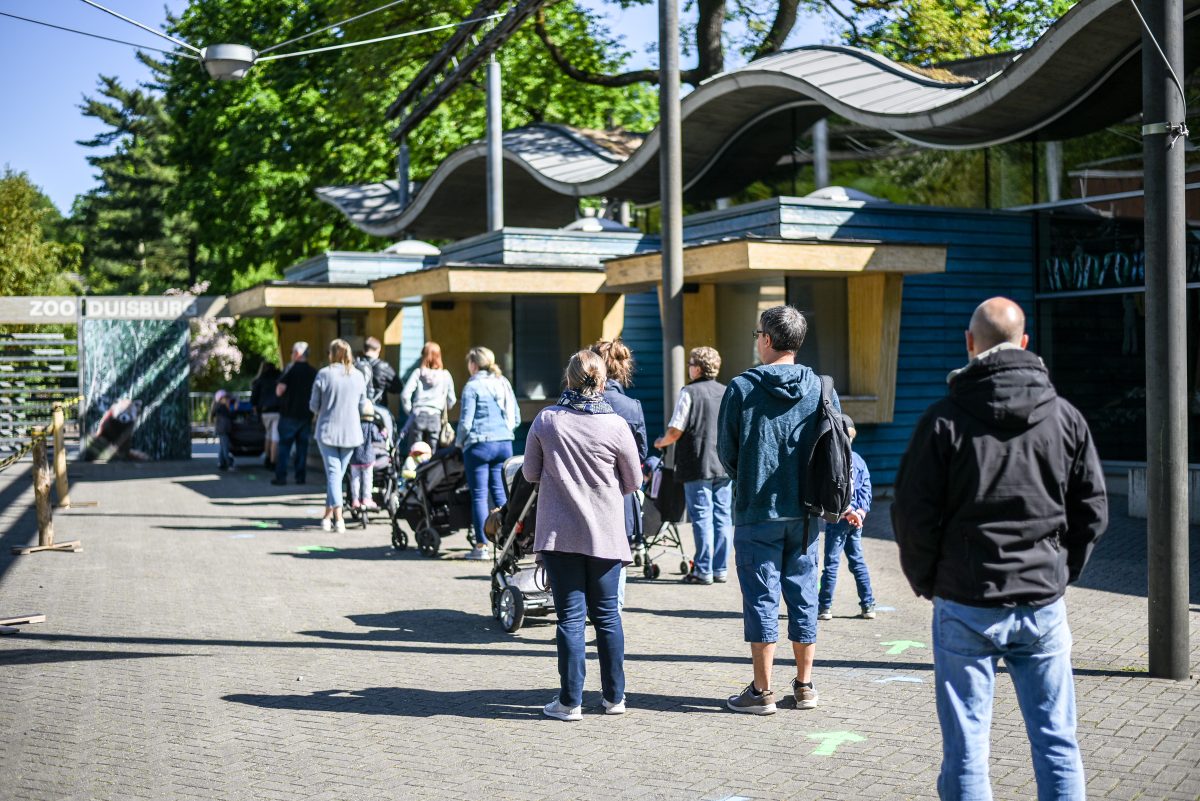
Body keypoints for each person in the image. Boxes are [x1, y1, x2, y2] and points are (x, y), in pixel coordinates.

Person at [892, 297, 1107, 801]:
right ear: (1025, 344)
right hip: (1041, 601)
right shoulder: (1065, 417)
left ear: (970, 344)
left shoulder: (944, 420)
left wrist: (928, 579)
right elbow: (1092, 508)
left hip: (965, 600)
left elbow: (911, 514)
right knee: (1057, 743)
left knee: (967, 750)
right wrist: (1062, 570)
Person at [717, 305, 836, 714]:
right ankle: (805, 687)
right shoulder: (822, 386)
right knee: (804, 595)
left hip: (757, 510)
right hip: (807, 512)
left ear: (767, 340)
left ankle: (761, 692)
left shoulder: (741, 387)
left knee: (761, 599)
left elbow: (727, 454)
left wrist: (749, 475)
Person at [523, 350, 641, 721]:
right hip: (606, 533)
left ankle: (569, 702)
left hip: (560, 535)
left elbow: (529, 473)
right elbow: (634, 481)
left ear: (569, 380)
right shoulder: (617, 424)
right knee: (608, 616)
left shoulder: (547, 420)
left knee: (570, 619)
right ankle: (615, 698)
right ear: (603, 381)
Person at [655, 346, 731, 585]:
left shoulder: (689, 392)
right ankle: (720, 569)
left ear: (697, 368)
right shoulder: (726, 391)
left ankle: (703, 570)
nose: (688, 367)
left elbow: (676, 429)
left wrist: (660, 442)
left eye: (690, 364)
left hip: (696, 463)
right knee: (723, 516)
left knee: (702, 517)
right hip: (723, 463)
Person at [590, 339, 647, 603]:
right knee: (616, 558)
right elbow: (641, 456)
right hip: (619, 494)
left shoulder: (574, 405)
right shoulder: (631, 406)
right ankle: (612, 614)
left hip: (583, 493)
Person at [457, 346, 519, 561]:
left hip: (479, 445)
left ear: (473, 365)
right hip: (504, 443)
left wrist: (459, 442)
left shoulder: (472, 386)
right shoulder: (503, 383)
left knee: (480, 496)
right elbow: (516, 416)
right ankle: (507, 541)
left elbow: (466, 422)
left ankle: (482, 545)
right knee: (502, 494)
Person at [817, 415, 875, 620]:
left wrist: (848, 512)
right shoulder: (859, 459)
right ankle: (868, 605)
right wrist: (860, 513)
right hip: (855, 520)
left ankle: (824, 606)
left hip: (839, 519)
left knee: (831, 564)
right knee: (857, 562)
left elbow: (837, 491)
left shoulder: (837, 460)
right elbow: (865, 488)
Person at [309, 338, 367, 532]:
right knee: (336, 475)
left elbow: (314, 405)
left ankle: (338, 518)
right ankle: (328, 517)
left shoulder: (324, 374)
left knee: (334, 475)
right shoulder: (358, 376)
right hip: (351, 432)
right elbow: (362, 405)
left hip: (328, 431)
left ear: (331, 354)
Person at [273, 342, 318, 486]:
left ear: (297, 354)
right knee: (302, 448)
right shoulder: (313, 372)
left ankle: (281, 477)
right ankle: (300, 477)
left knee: (284, 448)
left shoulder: (289, 370)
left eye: (292, 351)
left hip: (288, 415)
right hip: (306, 415)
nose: (291, 354)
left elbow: (279, 391)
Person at [401, 341, 457, 451]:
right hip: (435, 416)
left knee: (415, 451)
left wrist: (410, 410)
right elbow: (452, 399)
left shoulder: (418, 373)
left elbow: (404, 394)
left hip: (418, 415)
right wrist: (446, 407)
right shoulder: (445, 375)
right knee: (433, 452)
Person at [349, 399, 385, 511]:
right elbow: (378, 438)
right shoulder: (372, 427)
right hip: (368, 459)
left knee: (355, 479)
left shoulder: (355, 425)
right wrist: (383, 433)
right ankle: (366, 498)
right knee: (368, 479)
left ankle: (355, 500)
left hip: (355, 458)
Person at [250, 361, 282, 468]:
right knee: (275, 436)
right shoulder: (280, 377)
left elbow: (254, 398)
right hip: (277, 410)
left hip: (265, 411)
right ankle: (273, 461)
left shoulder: (260, 379)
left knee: (268, 435)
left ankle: (267, 458)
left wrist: (256, 407)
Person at [355, 336, 401, 406]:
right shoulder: (383, 366)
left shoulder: (355, 365)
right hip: (377, 408)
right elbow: (398, 387)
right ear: (378, 350)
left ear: (363, 350)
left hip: (358, 407)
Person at [210, 390, 234, 471]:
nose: (228, 400)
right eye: (226, 398)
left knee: (222, 447)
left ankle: (221, 463)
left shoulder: (218, 407)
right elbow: (230, 415)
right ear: (220, 399)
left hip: (222, 430)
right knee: (225, 448)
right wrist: (234, 408)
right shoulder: (222, 407)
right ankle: (229, 463)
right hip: (223, 430)